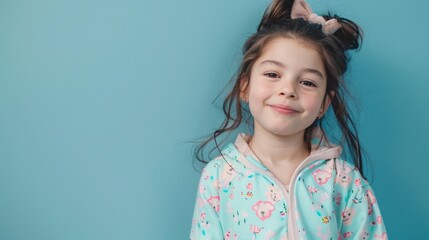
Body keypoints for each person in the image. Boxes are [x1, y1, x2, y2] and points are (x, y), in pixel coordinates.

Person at [190, 0, 388, 239]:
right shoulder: (219, 176)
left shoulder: (344, 181)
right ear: (244, 86)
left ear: (324, 103)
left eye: (307, 82)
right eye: (273, 74)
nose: (288, 90)